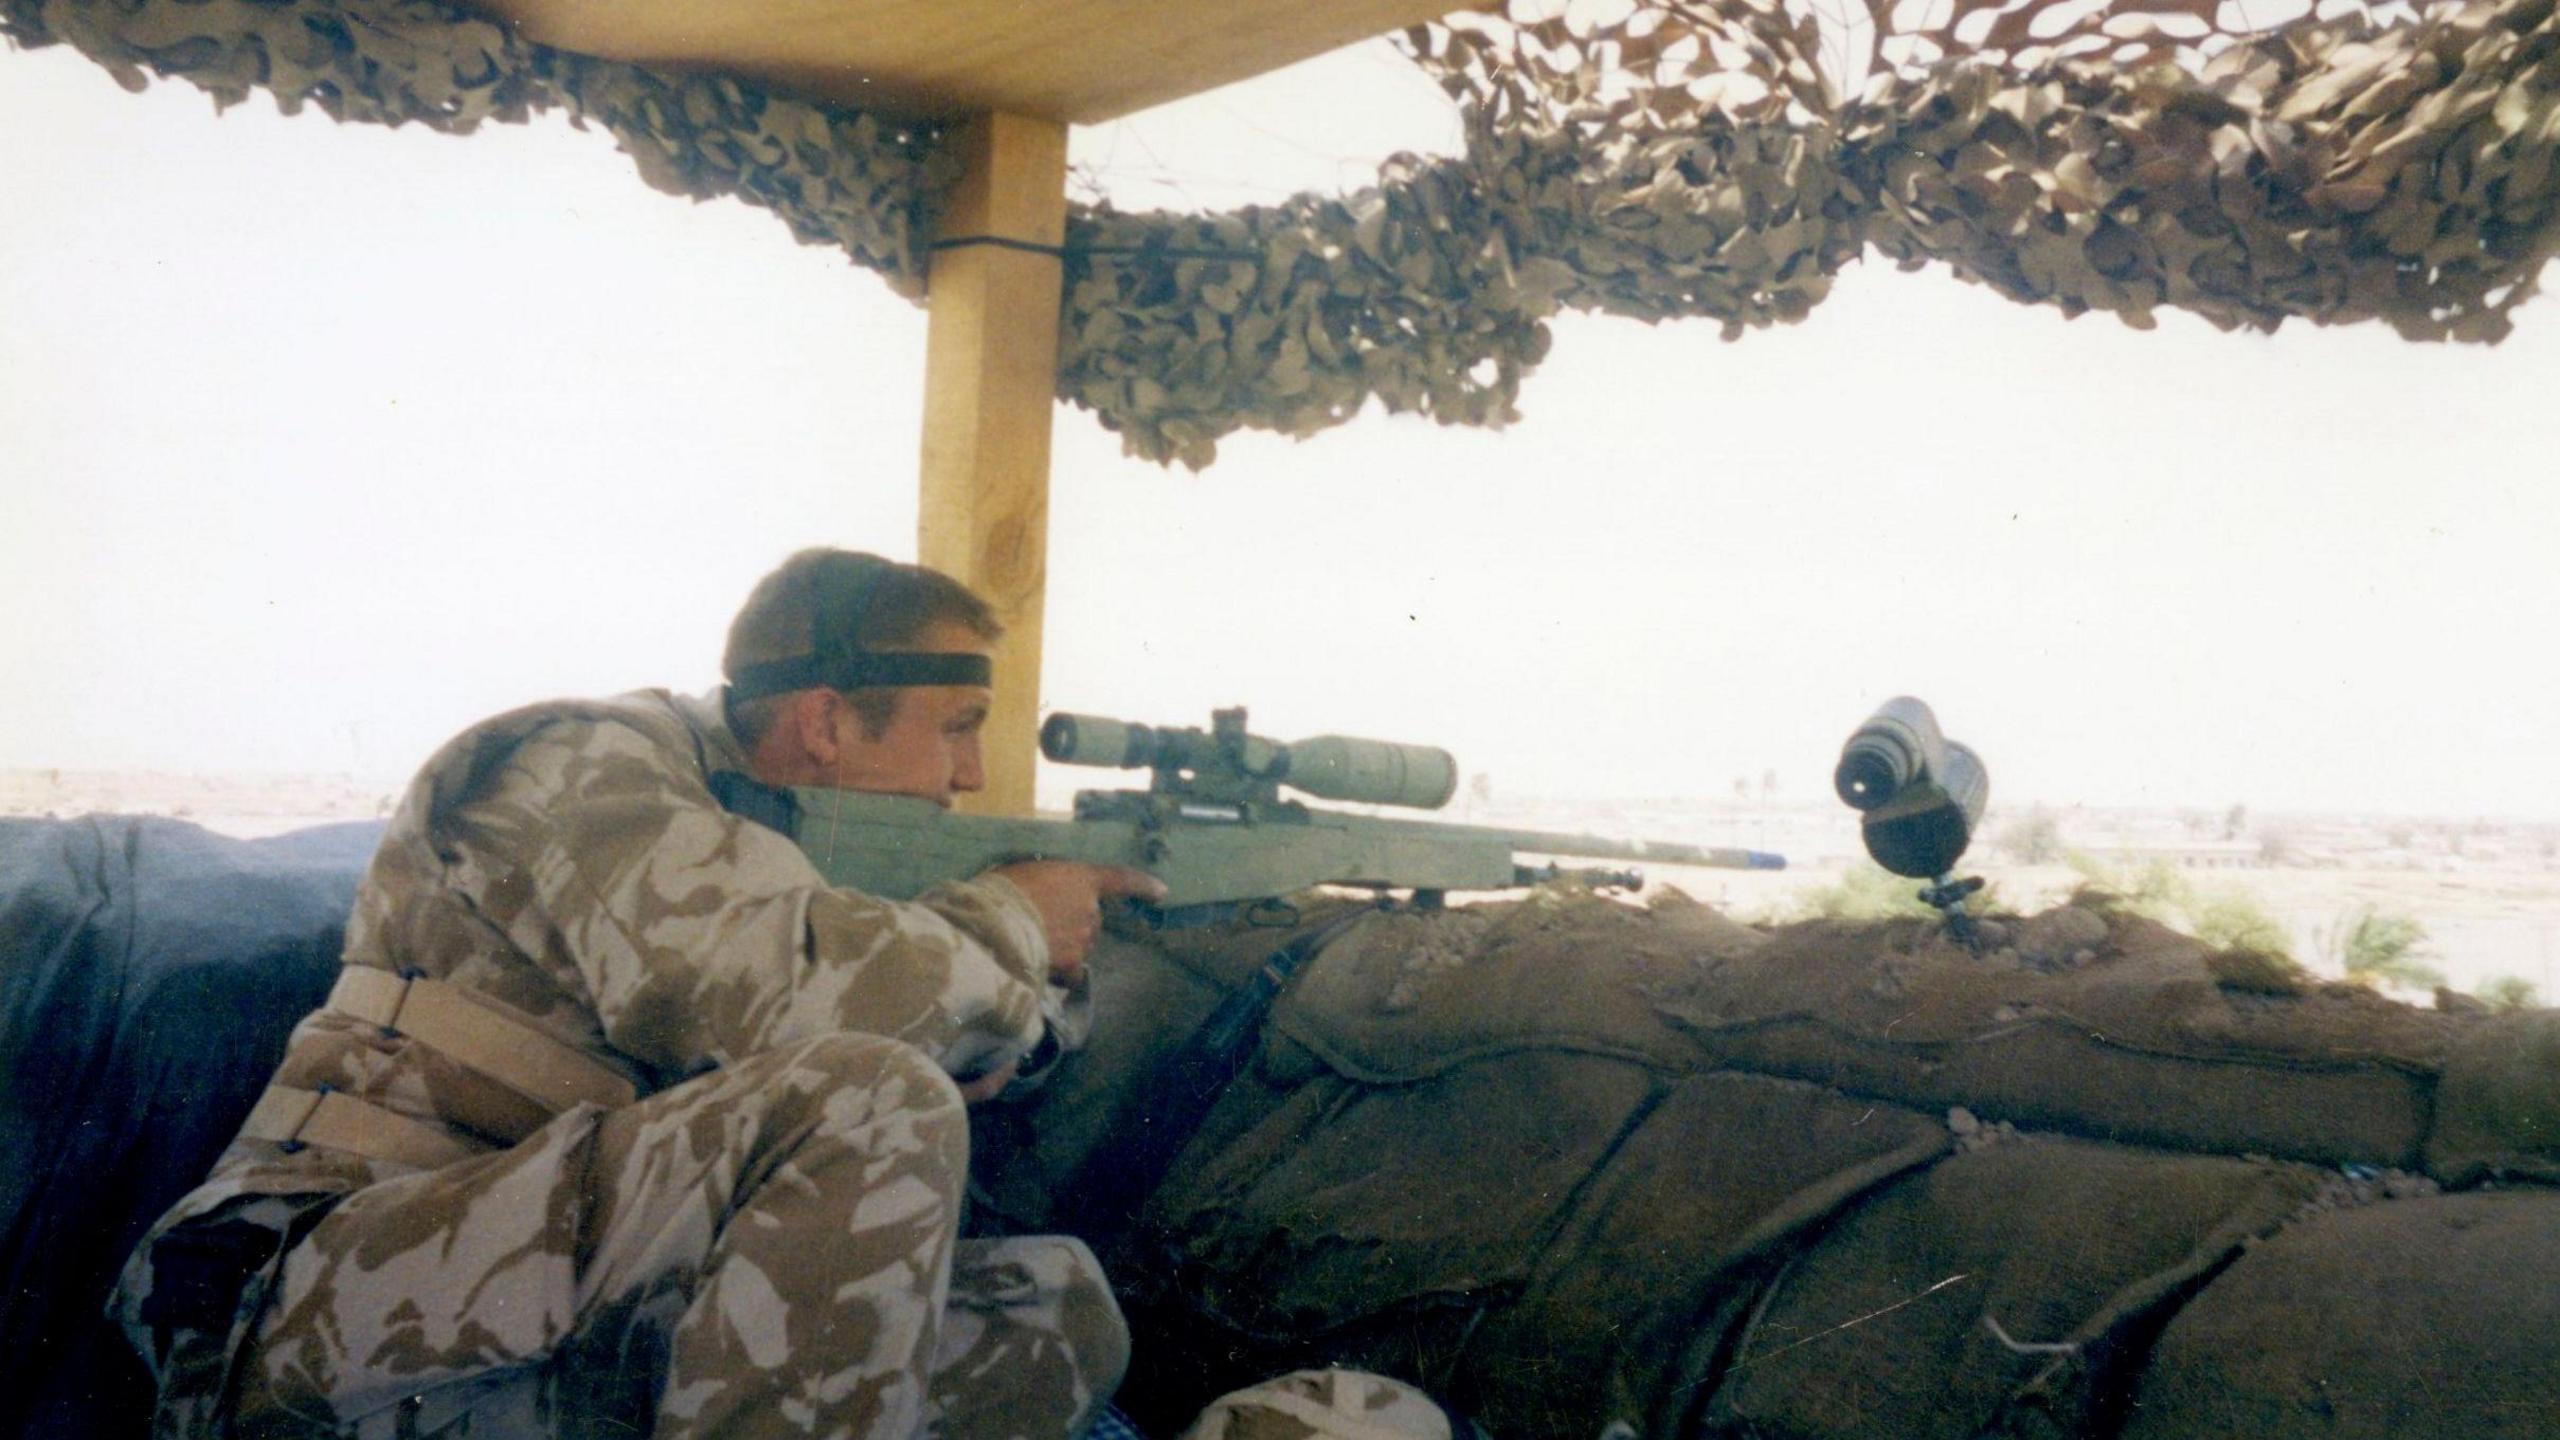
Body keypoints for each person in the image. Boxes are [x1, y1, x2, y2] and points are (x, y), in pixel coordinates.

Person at [112, 548, 1161, 1440]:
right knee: (871, 1095)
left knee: (1052, 1317)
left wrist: (1012, 996)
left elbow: (957, 1033)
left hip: (532, 1308)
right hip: (298, 1295)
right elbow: (779, 992)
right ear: (829, 720)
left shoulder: (788, 848)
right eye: (959, 724)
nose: (971, 773)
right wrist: (1009, 927)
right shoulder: (581, 764)